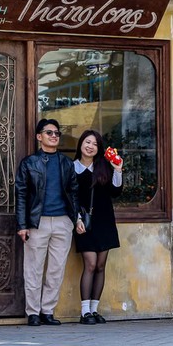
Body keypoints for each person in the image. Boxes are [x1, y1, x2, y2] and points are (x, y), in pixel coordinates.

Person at [16, 118, 85, 326]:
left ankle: (47, 311)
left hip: (63, 222)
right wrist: (22, 225)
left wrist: (77, 219)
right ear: (39, 137)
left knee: (56, 270)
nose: (54, 136)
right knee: (33, 269)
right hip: (38, 222)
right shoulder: (29, 163)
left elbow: (74, 193)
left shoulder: (66, 163)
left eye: (56, 133)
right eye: (49, 133)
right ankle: (33, 312)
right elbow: (21, 194)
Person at [72, 130, 124, 325]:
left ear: (99, 148)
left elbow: (116, 191)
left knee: (101, 266)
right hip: (83, 223)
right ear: (81, 144)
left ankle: (94, 309)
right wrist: (76, 219)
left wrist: (118, 169)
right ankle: (84, 311)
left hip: (104, 221)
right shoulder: (72, 168)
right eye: (87, 142)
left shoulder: (103, 167)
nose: (90, 146)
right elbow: (70, 197)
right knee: (91, 264)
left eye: (94, 144)